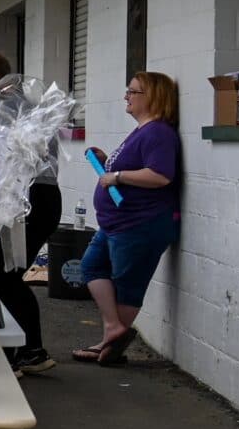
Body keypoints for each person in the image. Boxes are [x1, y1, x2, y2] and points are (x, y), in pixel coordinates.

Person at [75, 71, 182, 365]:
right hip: (117, 223)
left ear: (153, 97)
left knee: (126, 285)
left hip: (140, 224)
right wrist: (106, 162)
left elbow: (160, 175)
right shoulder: (143, 131)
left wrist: (118, 176)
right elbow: (136, 168)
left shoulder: (158, 132)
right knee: (91, 266)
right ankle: (113, 330)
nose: (126, 96)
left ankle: (110, 346)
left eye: (133, 92)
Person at [0, 52, 57, 375]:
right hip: (46, 198)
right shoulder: (30, 107)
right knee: (7, 275)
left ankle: (19, 353)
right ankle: (30, 350)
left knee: (2, 276)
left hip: (23, 200)